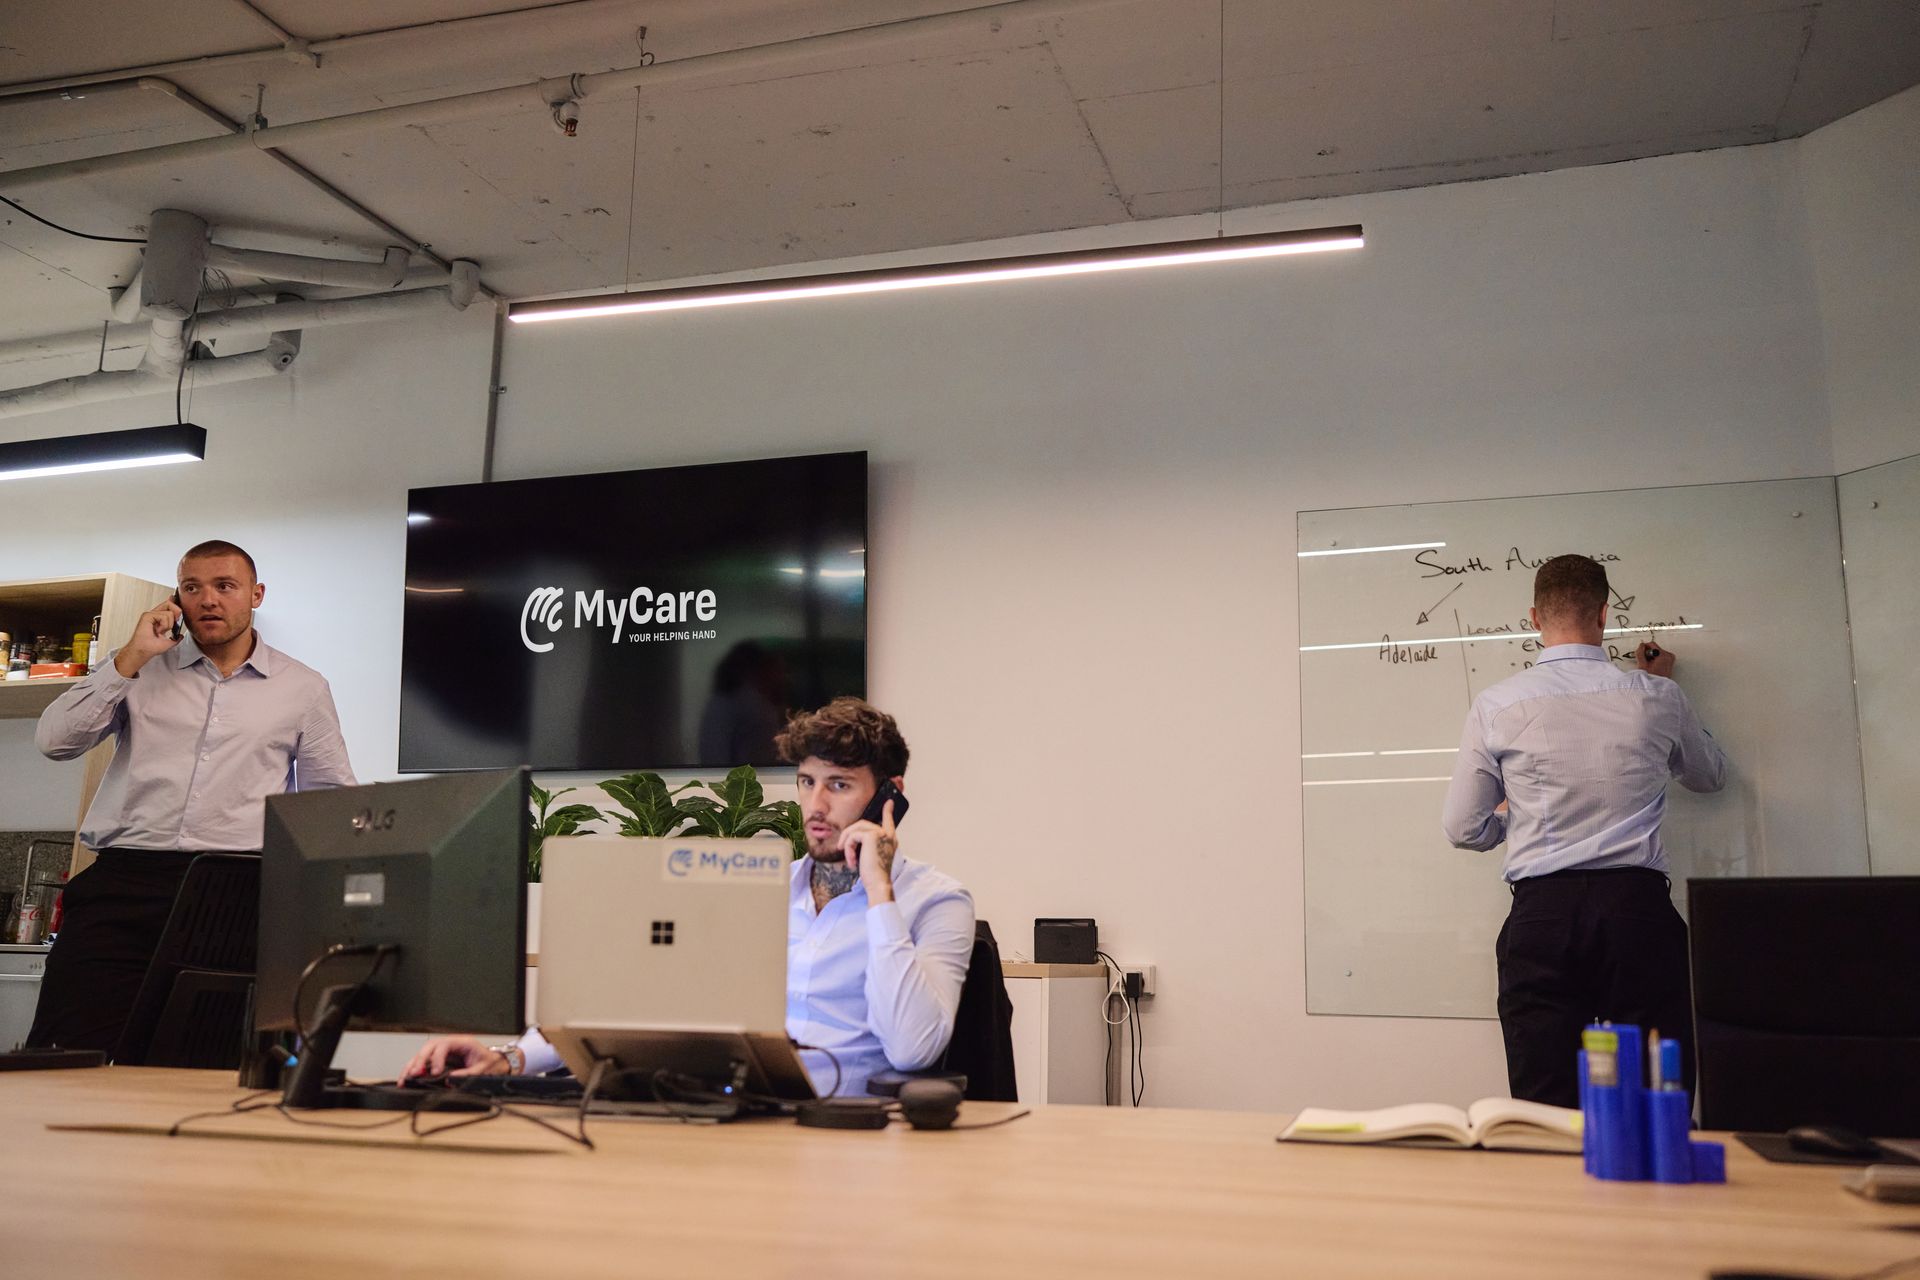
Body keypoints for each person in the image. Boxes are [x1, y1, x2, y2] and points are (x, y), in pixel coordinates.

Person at [405, 697, 975, 1097]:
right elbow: (633, 999)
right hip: (733, 1121)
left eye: (840, 785)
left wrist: (879, 891)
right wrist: (508, 1059)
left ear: (888, 798)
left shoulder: (937, 903)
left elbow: (912, 1049)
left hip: (853, 1143)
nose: (816, 807)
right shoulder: (754, 886)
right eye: (807, 782)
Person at [30, 540, 356, 1052]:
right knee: (65, 1052)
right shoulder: (135, 670)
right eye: (192, 587)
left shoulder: (302, 688)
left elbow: (329, 805)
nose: (208, 599)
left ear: (256, 594)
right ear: (176, 598)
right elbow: (55, 742)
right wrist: (131, 656)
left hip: (235, 891)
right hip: (124, 884)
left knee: (210, 1061)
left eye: (225, 586)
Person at [1441, 554, 1727, 1108]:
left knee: (1542, 1111)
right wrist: (1655, 694)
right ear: (1603, 614)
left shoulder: (1497, 704)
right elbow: (1710, 776)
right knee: (1652, 1099)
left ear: (1533, 618)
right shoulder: (1657, 697)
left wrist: (1511, 817)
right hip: (1637, 916)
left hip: (1542, 917)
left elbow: (1462, 828)